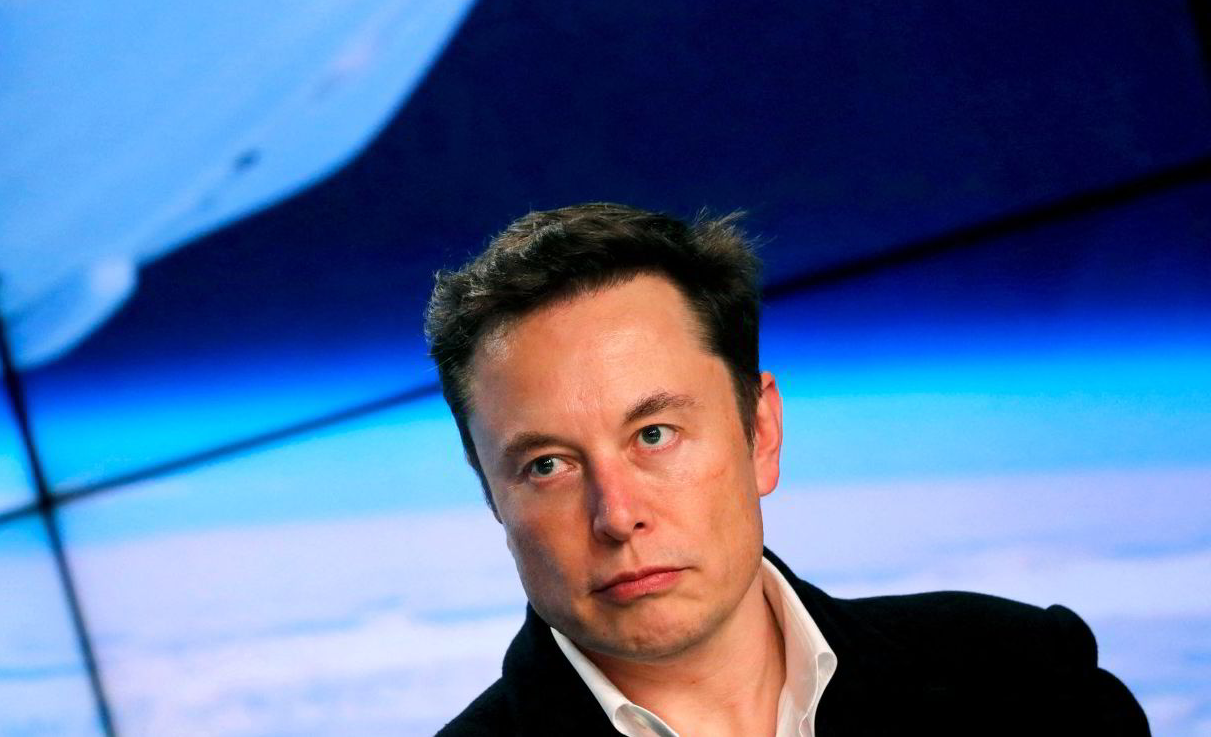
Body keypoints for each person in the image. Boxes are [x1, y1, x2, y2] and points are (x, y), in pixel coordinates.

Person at [423, 203, 1148, 736]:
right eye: (547, 464)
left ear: (761, 432)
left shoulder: (1026, 677)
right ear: (491, 493)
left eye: (654, 434)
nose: (617, 515)